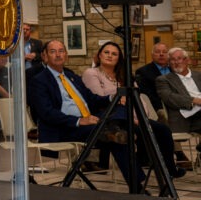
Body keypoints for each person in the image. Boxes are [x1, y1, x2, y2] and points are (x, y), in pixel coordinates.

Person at [29, 40, 182, 190]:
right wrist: (79, 121)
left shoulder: (72, 77)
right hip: (64, 127)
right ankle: (137, 186)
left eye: (61, 51)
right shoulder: (39, 80)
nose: (58, 55)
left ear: (66, 55)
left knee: (120, 130)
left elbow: (92, 99)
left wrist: (113, 98)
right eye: (53, 51)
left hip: (93, 124)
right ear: (44, 56)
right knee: (118, 134)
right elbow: (46, 113)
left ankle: (137, 180)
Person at [80, 41, 183, 177]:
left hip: (134, 116)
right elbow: (100, 99)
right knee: (141, 132)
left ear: (119, 58)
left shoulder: (124, 75)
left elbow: (137, 98)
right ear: (99, 55)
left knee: (163, 130)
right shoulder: (91, 73)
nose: (110, 56)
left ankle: (170, 170)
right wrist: (120, 101)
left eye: (114, 54)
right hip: (111, 119)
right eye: (106, 52)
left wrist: (141, 116)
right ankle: (140, 171)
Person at [156, 47, 201, 134]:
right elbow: (169, 97)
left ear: (187, 60)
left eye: (179, 59)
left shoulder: (198, 75)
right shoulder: (163, 80)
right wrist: (195, 100)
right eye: (172, 60)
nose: (176, 62)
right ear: (169, 63)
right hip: (185, 118)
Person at [136, 42, 171, 115]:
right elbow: (148, 95)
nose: (161, 54)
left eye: (164, 52)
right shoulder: (143, 72)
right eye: (157, 52)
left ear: (168, 55)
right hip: (159, 109)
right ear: (152, 55)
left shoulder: (174, 69)